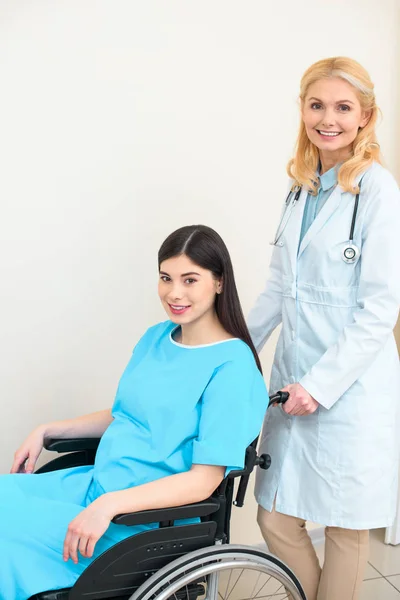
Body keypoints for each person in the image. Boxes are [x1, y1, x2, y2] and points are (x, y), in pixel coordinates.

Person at [0, 224, 268, 599]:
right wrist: (47, 429)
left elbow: (203, 480)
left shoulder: (232, 367)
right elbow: (126, 414)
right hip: (94, 489)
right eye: (166, 278)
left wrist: (109, 506)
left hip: (139, 522)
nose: (174, 293)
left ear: (219, 283)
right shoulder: (158, 337)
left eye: (190, 280)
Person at [248, 57, 400, 600]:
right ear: (303, 110)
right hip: (295, 377)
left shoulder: (378, 191)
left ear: (365, 117)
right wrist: (234, 346)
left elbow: (380, 309)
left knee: (344, 526)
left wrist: (321, 384)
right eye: (317, 105)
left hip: (347, 387)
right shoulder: (299, 189)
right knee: (276, 518)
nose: (327, 118)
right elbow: (276, 290)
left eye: (342, 107)